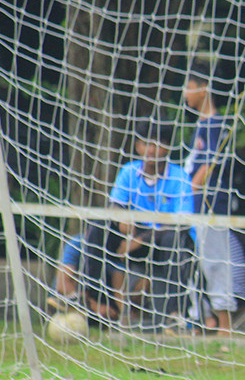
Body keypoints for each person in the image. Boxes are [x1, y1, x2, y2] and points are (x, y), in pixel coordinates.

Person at [83, 117, 194, 328]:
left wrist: (141, 239)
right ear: (137, 146)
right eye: (146, 143)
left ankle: (174, 315)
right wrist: (122, 218)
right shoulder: (129, 171)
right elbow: (115, 206)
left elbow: (182, 223)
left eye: (157, 144)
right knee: (98, 227)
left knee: (173, 240)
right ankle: (98, 303)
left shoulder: (180, 177)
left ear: (168, 147)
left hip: (163, 240)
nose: (151, 150)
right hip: (134, 235)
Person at [182, 62, 245, 335]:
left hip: (209, 206)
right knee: (195, 263)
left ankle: (225, 327)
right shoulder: (200, 124)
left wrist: (191, 189)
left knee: (216, 262)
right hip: (193, 207)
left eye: (188, 87)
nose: (185, 94)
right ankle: (202, 321)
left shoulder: (216, 124)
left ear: (203, 89)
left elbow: (210, 162)